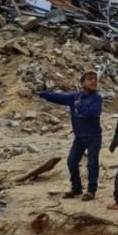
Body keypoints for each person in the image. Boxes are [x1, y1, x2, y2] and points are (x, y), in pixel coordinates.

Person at [39, 71, 103, 201]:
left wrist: (80, 106)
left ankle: (91, 191)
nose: (94, 82)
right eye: (90, 79)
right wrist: (42, 94)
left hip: (93, 137)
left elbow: (94, 113)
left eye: (95, 79)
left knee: (92, 164)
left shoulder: (96, 98)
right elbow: (58, 97)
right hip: (79, 138)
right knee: (71, 162)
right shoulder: (74, 97)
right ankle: (77, 188)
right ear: (82, 83)